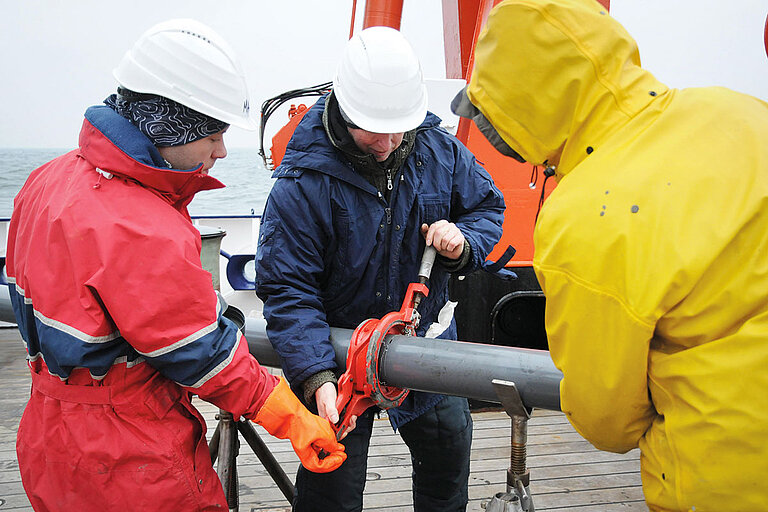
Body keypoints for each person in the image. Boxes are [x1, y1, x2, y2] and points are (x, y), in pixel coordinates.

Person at [5, 19, 345, 512]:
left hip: (49, 433)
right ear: (172, 123)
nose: (221, 151)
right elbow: (200, 352)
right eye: (213, 134)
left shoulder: (46, 181)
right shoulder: (141, 225)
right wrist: (291, 417)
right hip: (128, 456)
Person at [451, 0, 768, 510]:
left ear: (524, 107)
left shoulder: (583, 222)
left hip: (731, 474)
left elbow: (608, 420)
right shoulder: (741, 111)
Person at [255, 27, 506, 512]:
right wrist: (315, 376)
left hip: (427, 346)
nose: (388, 143)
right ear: (346, 111)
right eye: (374, 129)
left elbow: (486, 208)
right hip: (337, 361)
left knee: (446, 466)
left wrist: (462, 243)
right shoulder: (300, 184)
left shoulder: (441, 151)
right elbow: (288, 289)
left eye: (399, 128)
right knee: (330, 491)